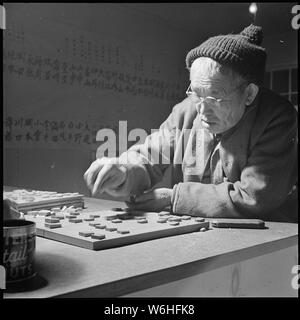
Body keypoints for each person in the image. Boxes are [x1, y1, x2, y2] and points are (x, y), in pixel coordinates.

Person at [84, 24, 298, 222]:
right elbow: (150, 156)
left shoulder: (277, 117)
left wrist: (174, 198)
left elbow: (253, 197)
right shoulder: (187, 110)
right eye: (196, 93)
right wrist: (123, 170)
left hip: (266, 243)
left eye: (215, 98)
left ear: (249, 94)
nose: (202, 110)